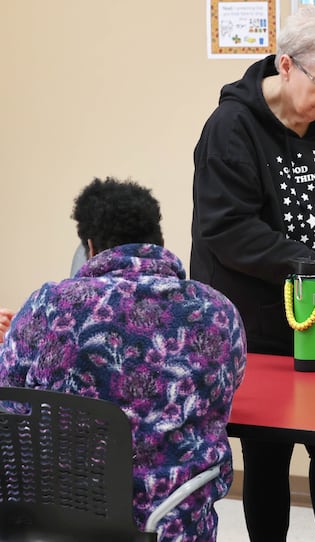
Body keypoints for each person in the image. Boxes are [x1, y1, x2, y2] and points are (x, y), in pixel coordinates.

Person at [190, 6, 315, 541]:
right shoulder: (231, 128)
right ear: (286, 65)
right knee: (267, 456)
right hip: (264, 329)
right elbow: (227, 230)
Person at [0, 177, 246, 541]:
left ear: (90, 246)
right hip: (169, 521)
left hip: (56, 521)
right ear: (157, 240)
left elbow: (10, 396)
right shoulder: (217, 311)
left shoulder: (46, 305)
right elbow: (225, 391)